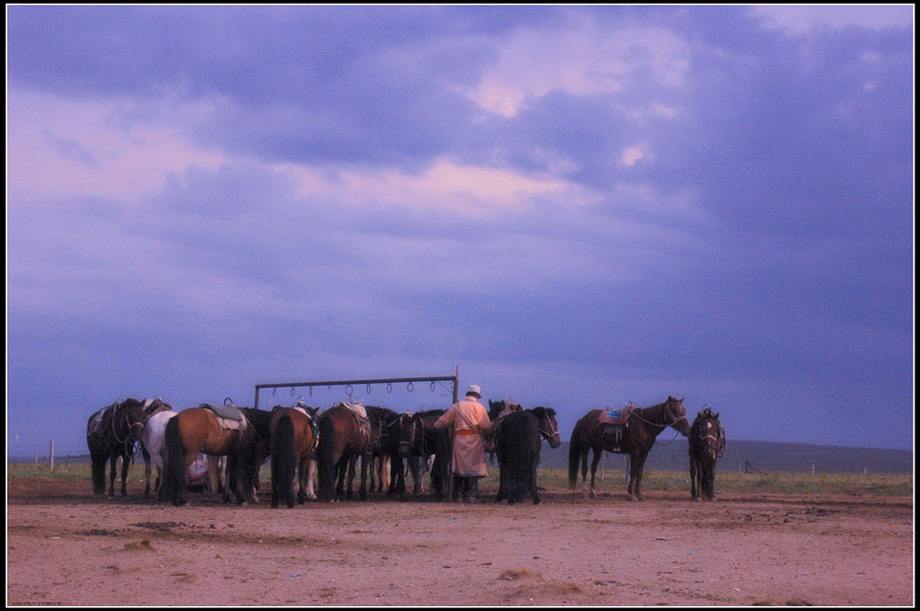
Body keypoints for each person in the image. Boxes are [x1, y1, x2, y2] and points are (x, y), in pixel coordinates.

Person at [434, 384, 492, 502]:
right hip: (475, 439)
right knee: (473, 468)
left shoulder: (457, 406)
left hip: (459, 439)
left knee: (458, 468)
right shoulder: (480, 407)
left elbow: (443, 421)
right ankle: (471, 495)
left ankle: (458, 495)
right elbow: (486, 426)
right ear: (477, 395)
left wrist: (436, 426)